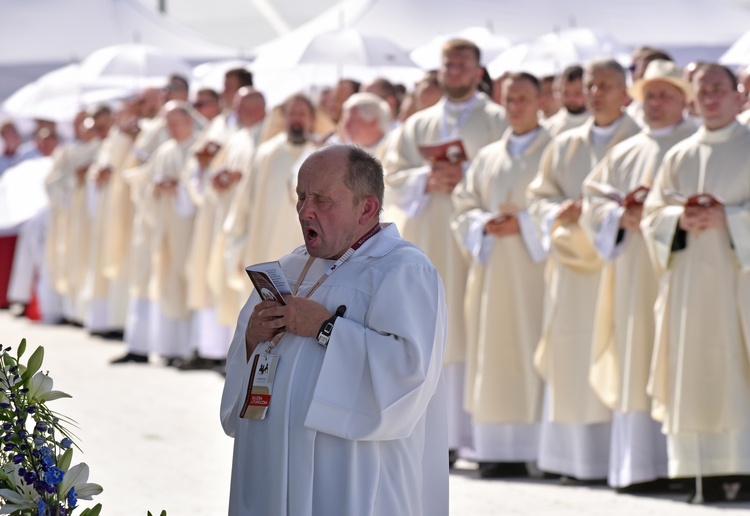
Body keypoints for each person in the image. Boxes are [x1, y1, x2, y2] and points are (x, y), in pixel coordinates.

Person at [220, 144, 448, 516]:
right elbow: (241, 367)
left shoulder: (403, 271)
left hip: (350, 470)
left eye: (322, 200)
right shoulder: (291, 266)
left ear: (367, 208)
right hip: (272, 459)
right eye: (301, 197)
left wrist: (325, 328)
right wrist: (251, 337)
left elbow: (409, 374)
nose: (304, 211)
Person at [383, 38, 507, 462]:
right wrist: (425, 179)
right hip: (431, 236)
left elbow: (511, 170)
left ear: (477, 71)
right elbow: (391, 173)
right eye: (447, 64)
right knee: (433, 326)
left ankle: (478, 437)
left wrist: (467, 173)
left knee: (474, 326)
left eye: (461, 65)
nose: (453, 71)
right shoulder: (418, 124)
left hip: (478, 243)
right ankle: (438, 436)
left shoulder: (498, 120)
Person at [580, 59, 696, 490]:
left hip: (683, 272)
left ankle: (683, 464)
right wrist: (617, 216)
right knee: (636, 353)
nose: (656, 104)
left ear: (685, 100)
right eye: (650, 96)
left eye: (666, 95)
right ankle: (641, 467)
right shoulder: (626, 149)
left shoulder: (695, 142)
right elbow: (594, 200)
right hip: (633, 273)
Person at [527, 57, 641, 481]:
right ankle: (572, 460)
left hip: (620, 262)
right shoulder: (565, 144)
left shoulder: (639, 139)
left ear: (624, 90)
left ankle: (616, 459)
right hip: (572, 264)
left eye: (605, 85)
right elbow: (538, 198)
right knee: (572, 355)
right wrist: (560, 210)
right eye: (591, 85)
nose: (596, 93)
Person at [641, 63, 750, 502]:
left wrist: (733, 218)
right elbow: (652, 215)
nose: (710, 98)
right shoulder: (678, 155)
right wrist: (678, 219)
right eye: (702, 91)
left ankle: (742, 465)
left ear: (739, 95)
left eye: (719, 90)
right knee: (692, 365)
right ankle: (696, 469)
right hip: (687, 287)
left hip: (737, 285)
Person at [452, 72, 550, 478]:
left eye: (524, 99)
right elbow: (463, 206)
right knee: (492, 353)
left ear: (540, 100)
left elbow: (563, 204)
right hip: (493, 273)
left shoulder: (554, 149)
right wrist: (483, 223)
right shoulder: (489, 156)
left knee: (532, 349)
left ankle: (533, 449)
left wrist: (526, 224)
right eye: (509, 99)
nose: (515, 107)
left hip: (536, 274)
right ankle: (493, 450)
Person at [179, 87, 267, 371]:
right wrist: (217, 177)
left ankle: (234, 354)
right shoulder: (238, 136)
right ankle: (216, 351)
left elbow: (259, 179)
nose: (234, 112)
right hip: (223, 217)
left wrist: (238, 178)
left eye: (240, 106)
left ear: (256, 108)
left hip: (248, 223)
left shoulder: (265, 135)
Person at [543, 65, 589, 136]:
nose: (571, 99)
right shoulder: (549, 129)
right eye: (566, 93)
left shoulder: (601, 123)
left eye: (577, 93)